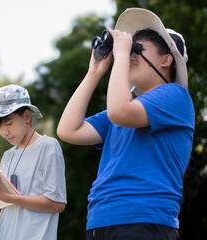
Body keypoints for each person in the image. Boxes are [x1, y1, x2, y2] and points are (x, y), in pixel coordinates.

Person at [57, 8, 194, 240]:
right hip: (101, 218)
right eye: (129, 49)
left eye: (138, 50)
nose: (130, 55)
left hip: (145, 218)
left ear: (166, 60)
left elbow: (120, 111)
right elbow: (68, 130)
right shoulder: (126, 108)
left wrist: (120, 56)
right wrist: (94, 73)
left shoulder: (176, 96)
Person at [0, 84, 67, 240]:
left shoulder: (48, 146)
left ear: (27, 116)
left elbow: (57, 203)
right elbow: (2, 212)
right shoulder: (7, 156)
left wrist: (8, 196)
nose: (5, 132)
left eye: (9, 123)